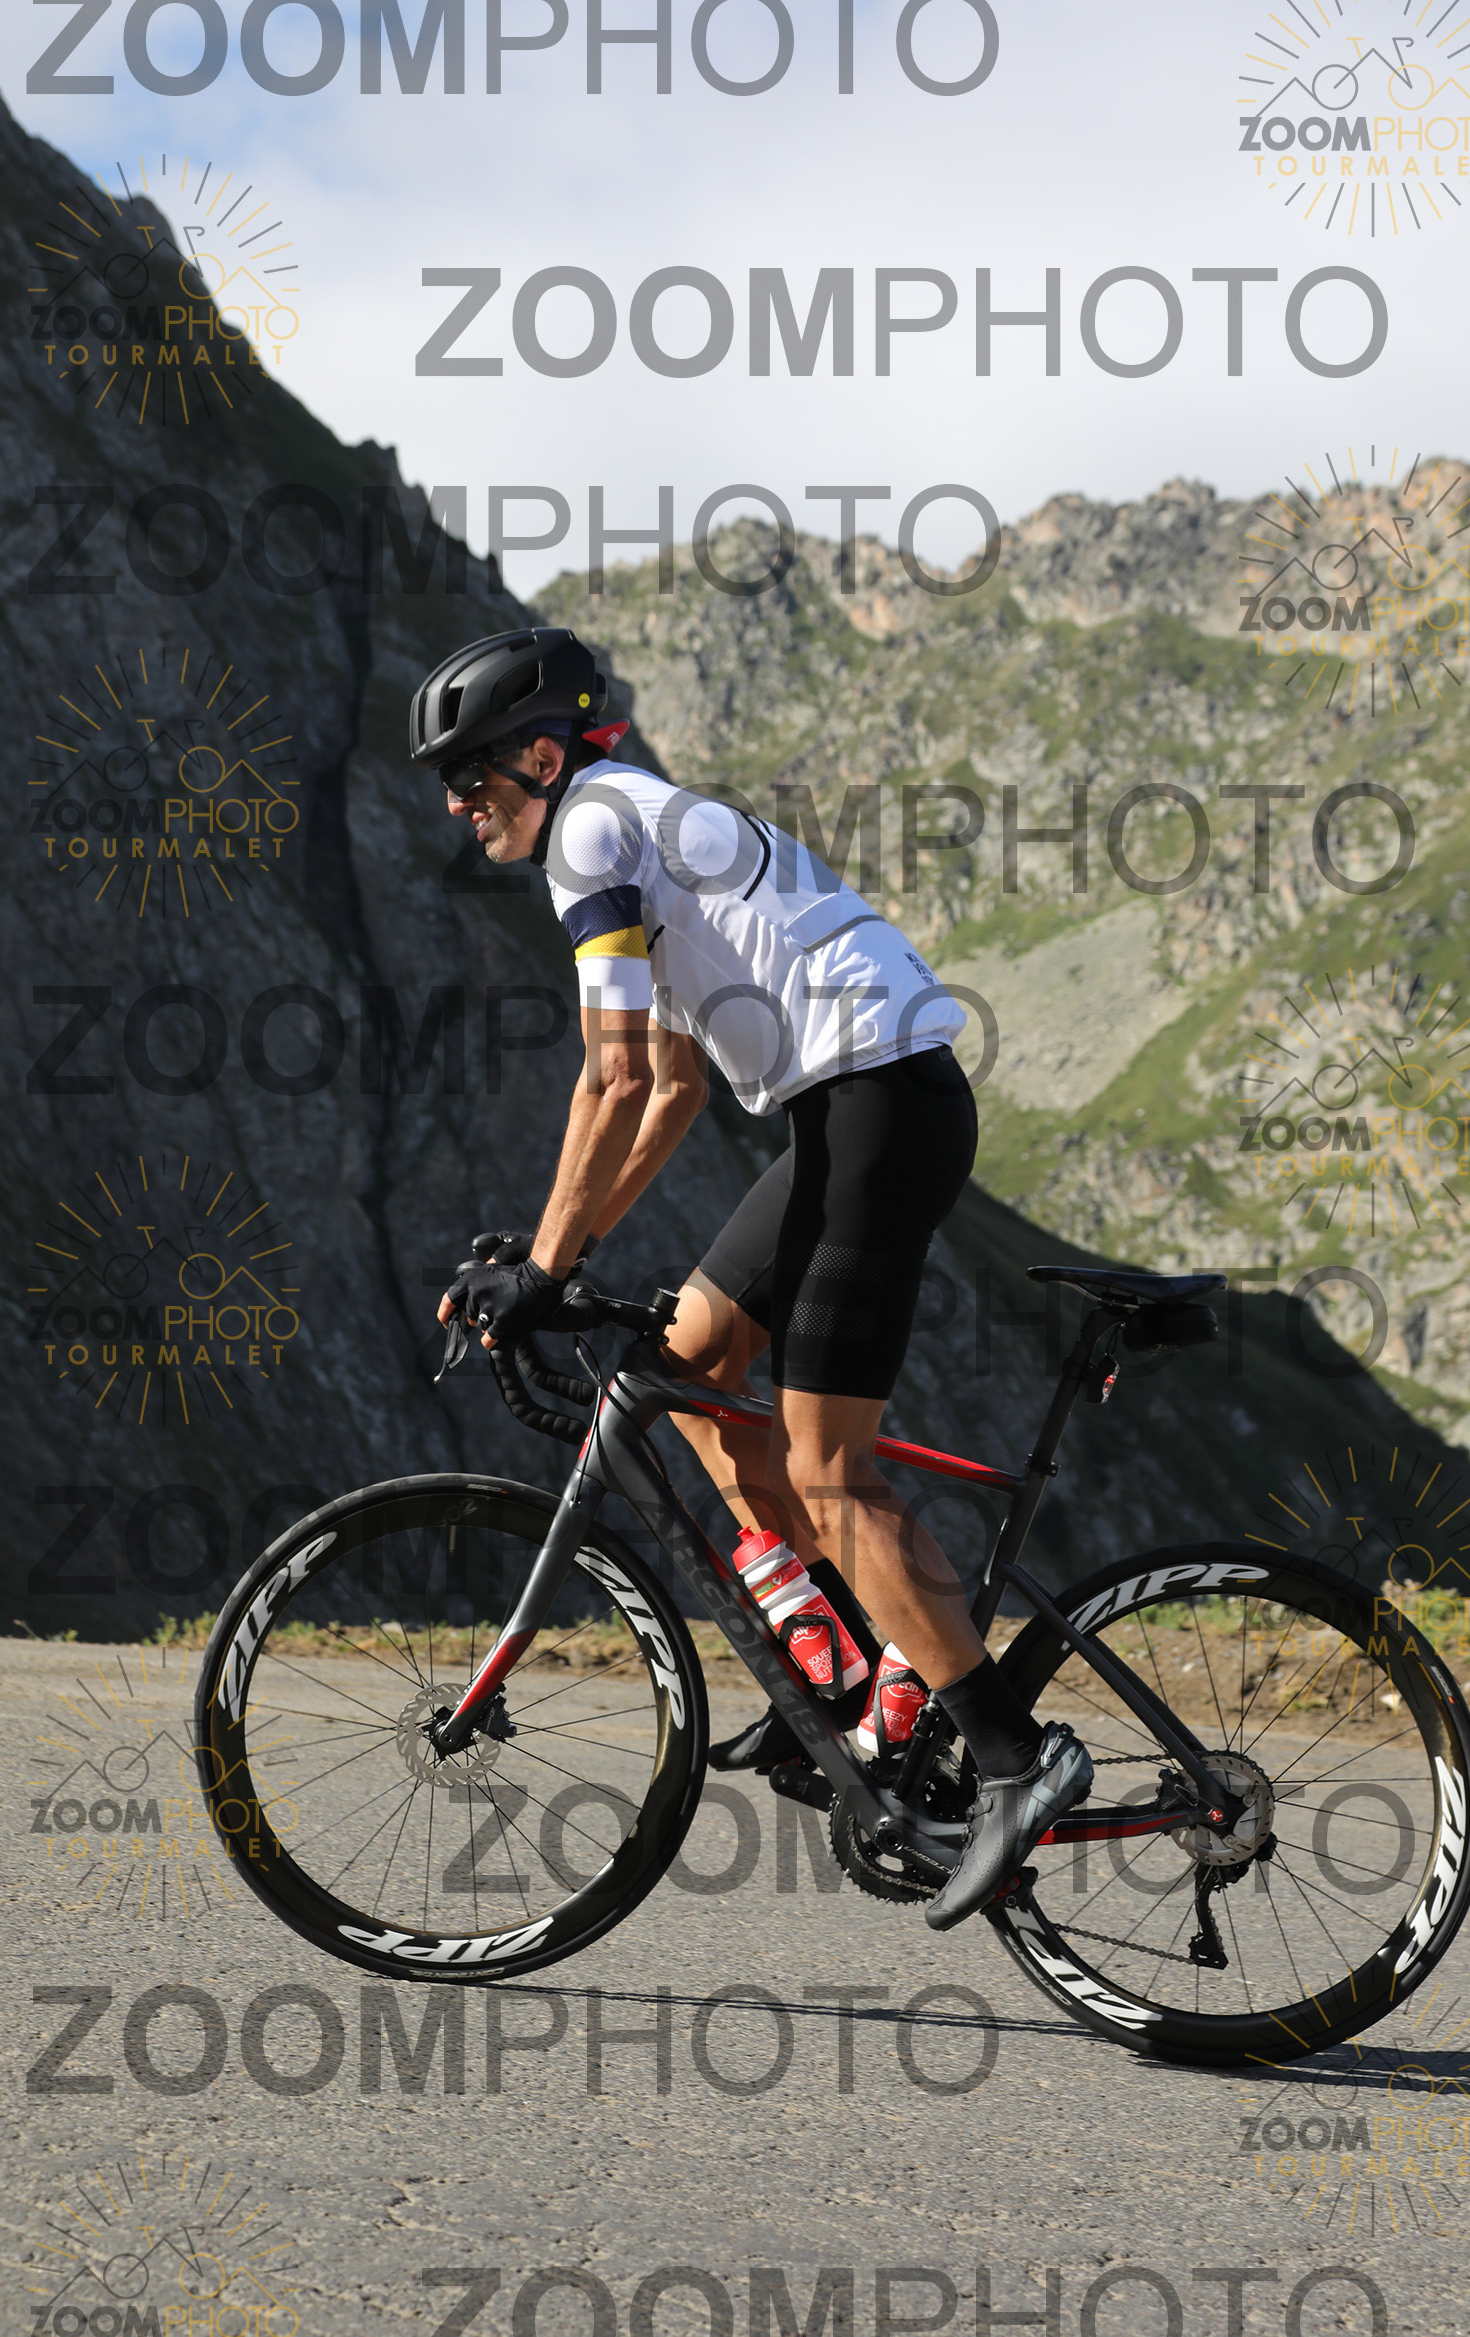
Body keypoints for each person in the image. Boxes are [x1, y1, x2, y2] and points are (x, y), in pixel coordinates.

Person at [414, 625, 1091, 1927]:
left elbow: (612, 1075)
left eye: (470, 773)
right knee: (694, 1358)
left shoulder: (590, 833)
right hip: (859, 1108)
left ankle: (1017, 1758)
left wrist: (546, 1268)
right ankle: (845, 1673)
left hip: (875, 1110)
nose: (457, 804)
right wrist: (560, 1253)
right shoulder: (638, 826)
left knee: (831, 1466)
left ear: (541, 757)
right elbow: (668, 1089)